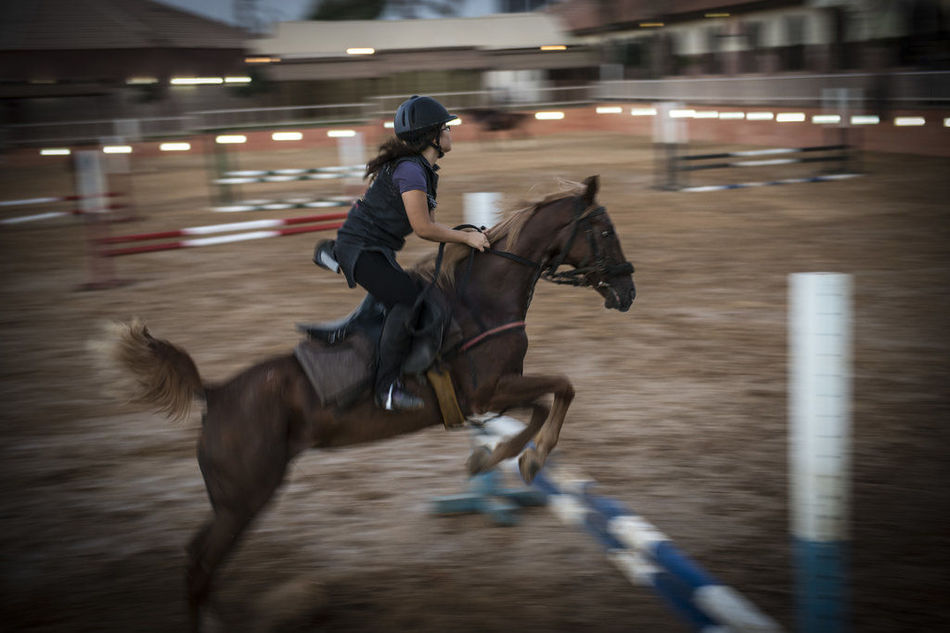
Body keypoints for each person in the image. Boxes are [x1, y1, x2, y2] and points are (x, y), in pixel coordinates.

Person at [330, 95, 490, 411]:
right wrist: (466, 238)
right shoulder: (412, 172)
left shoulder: (421, 170)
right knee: (405, 298)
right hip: (361, 248)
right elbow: (423, 228)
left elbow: (427, 224)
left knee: (416, 289)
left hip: (377, 249)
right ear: (432, 135)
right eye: (446, 127)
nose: (450, 133)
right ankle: (386, 388)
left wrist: (465, 236)